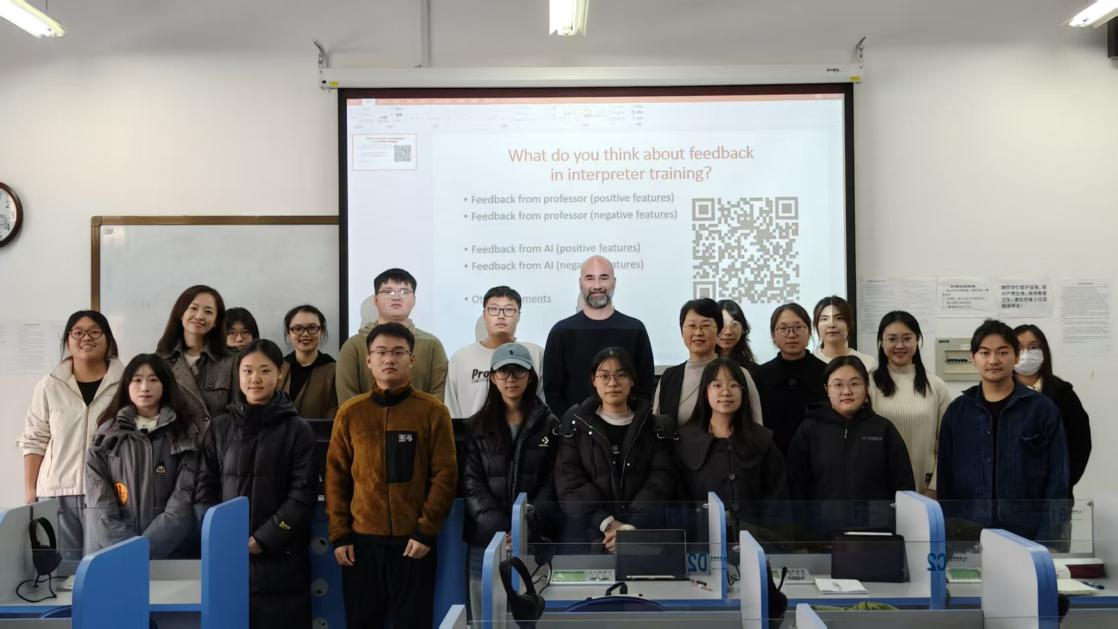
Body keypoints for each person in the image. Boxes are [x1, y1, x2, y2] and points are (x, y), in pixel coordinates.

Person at [326, 322, 458, 629]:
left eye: (398, 352)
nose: (389, 359)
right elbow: (336, 477)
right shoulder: (351, 412)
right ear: (368, 360)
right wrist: (340, 534)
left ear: (412, 359)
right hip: (361, 544)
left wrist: (425, 532)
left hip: (414, 543)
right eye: (381, 352)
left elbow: (445, 475)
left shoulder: (432, 411)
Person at [196, 339, 316, 629]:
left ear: (280, 373)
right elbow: (204, 489)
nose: (255, 379)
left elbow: (302, 495)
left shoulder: (297, 429)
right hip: (228, 557)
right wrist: (219, 535)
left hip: (281, 560)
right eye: (247, 371)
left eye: (264, 370)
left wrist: (263, 539)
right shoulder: (220, 427)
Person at [938, 320, 1069, 542]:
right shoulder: (957, 412)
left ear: (1016, 357)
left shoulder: (1042, 410)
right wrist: (950, 535)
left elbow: (1058, 480)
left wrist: (1050, 538)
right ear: (973, 358)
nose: (993, 360)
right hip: (969, 533)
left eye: (1002, 352)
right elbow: (946, 482)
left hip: (1027, 533)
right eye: (984, 352)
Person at [19, 311, 124, 560]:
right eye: (78, 332)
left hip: (107, 493)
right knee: (62, 571)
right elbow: (35, 439)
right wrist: (30, 491)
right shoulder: (50, 385)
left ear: (108, 339)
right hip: (56, 492)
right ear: (68, 340)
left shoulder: (126, 383)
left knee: (104, 567)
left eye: (94, 331)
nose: (86, 338)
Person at [462, 343, 557, 619]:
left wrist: (523, 527)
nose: (511, 379)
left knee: (530, 613)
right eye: (503, 372)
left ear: (531, 377)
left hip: (531, 540)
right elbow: (472, 484)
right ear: (492, 377)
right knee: (485, 615)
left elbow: (552, 481)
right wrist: (501, 531)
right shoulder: (476, 426)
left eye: (518, 372)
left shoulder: (550, 424)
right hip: (486, 541)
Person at [554, 347, 676, 552]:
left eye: (621, 375)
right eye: (604, 376)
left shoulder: (654, 426)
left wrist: (630, 528)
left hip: (644, 539)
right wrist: (608, 524)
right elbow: (570, 483)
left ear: (632, 380)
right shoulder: (575, 427)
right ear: (593, 380)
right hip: (590, 541)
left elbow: (661, 480)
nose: (612, 383)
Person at [85, 354, 199, 558]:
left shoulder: (183, 432)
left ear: (165, 384)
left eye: (153, 380)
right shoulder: (106, 434)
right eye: (137, 380)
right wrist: (127, 549)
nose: (145, 387)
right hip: (114, 553)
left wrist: (144, 549)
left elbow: (182, 501)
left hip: (170, 554)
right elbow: (99, 503)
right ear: (126, 385)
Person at [787, 356, 914, 535]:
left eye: (855, 384)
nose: (847, 391)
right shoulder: (809, 430)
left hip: (875, 534)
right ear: (827, 389)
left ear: (866, 387)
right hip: (820, 536)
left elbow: (904, 486)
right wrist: (801, 536)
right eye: (838, 385)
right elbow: (795, 488)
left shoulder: (884, 429)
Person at [675, 358, 787, 540]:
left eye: (734, 385)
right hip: (701, 544)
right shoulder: (684, 441)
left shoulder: (762, 440)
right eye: (717, 385)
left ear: (743, 392)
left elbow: (777, 500)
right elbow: (679, 502)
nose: (726, 392)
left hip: (756, 542)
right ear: (705, 392)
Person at [543, 256, 655, 416]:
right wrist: (573, 424)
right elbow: (553, 392)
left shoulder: (635, 330)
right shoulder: (560, 332)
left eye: (603, 278)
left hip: (628, 426)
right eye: (590, 278)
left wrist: (629, 422)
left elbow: (645, 387)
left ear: (614, 282)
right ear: (580, 283)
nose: (597, 286)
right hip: (575, 428)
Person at [869, 312, 954, 496]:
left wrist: (934, 487)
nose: (900, 345)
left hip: (925, 489)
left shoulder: (936, 386)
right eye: (892, 339)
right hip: (878, 489)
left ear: (917, 340)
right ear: (882, 342)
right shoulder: (869, 384)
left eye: (907, 338)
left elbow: (948, 443)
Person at [335, 268, 448, 405]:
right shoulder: (354, 345)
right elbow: (347, 400)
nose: (396, 297)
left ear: (414, 300)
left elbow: (439, 395)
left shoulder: (431, 344)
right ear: (375, 300)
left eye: (404, 292)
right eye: (388, 292)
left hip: (421, 419)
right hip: (365, 419)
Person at [654, 298, 763, 425]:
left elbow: (756, 427)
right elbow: (656, 425)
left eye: (706, 325)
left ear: (718, 330)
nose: (698, 332)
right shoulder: (669, 378)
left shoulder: (739, 374)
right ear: (682, 331)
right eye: (692, 326)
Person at [1014, 324, 1091, 496]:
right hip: (1009, 498)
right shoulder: (999, 394)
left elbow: (1080, 444)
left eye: (1033, 347)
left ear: (1044, 351)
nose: (1026, 354)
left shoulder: (1063, 393)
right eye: (1019, 348)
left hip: (1055, 498)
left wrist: (1063, 482)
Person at [446, 286, 544, 418]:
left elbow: (543, 405)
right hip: (471, 430)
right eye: (494, 309)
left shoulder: (535, 354)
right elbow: (451, 409)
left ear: (518, 316)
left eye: (509, 310)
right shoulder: (461, 358)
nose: (501, 316)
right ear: (484, 314)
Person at [156, 285, 237, 435]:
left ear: (216, 321)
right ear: (181, 313)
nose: (199, 316)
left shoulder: (230, 361)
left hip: (218, 445)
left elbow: (237, 412)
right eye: (193, 308)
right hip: (175, 444)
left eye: (208, 312)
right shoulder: (160, 361)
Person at [752, 303, 828, 456]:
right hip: (773, 456)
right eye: (783, 328)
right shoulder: (760, 375)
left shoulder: (826, 372)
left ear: (809, 332)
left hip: (818, 454)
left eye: (798, 327)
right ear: (773, 336)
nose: (791, 334)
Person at [278, 304, 338, 419]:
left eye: (312, 328)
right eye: (298, 329)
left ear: (322, 331)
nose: (305, 334)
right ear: (288, 333)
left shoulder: (334, 371)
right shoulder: (279, 368)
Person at [811, 295, 876, 370]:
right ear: (817, 325)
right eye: (824, 319)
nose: (831, 325)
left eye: (839, 318)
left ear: (849, 325)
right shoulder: (809, 362)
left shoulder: (868, 363)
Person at [716, 299, 758, 373]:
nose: (728, 332)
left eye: (735, 324)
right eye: (722, 324)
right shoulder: (700, 367)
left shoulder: (754, 371)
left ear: (743, 329)